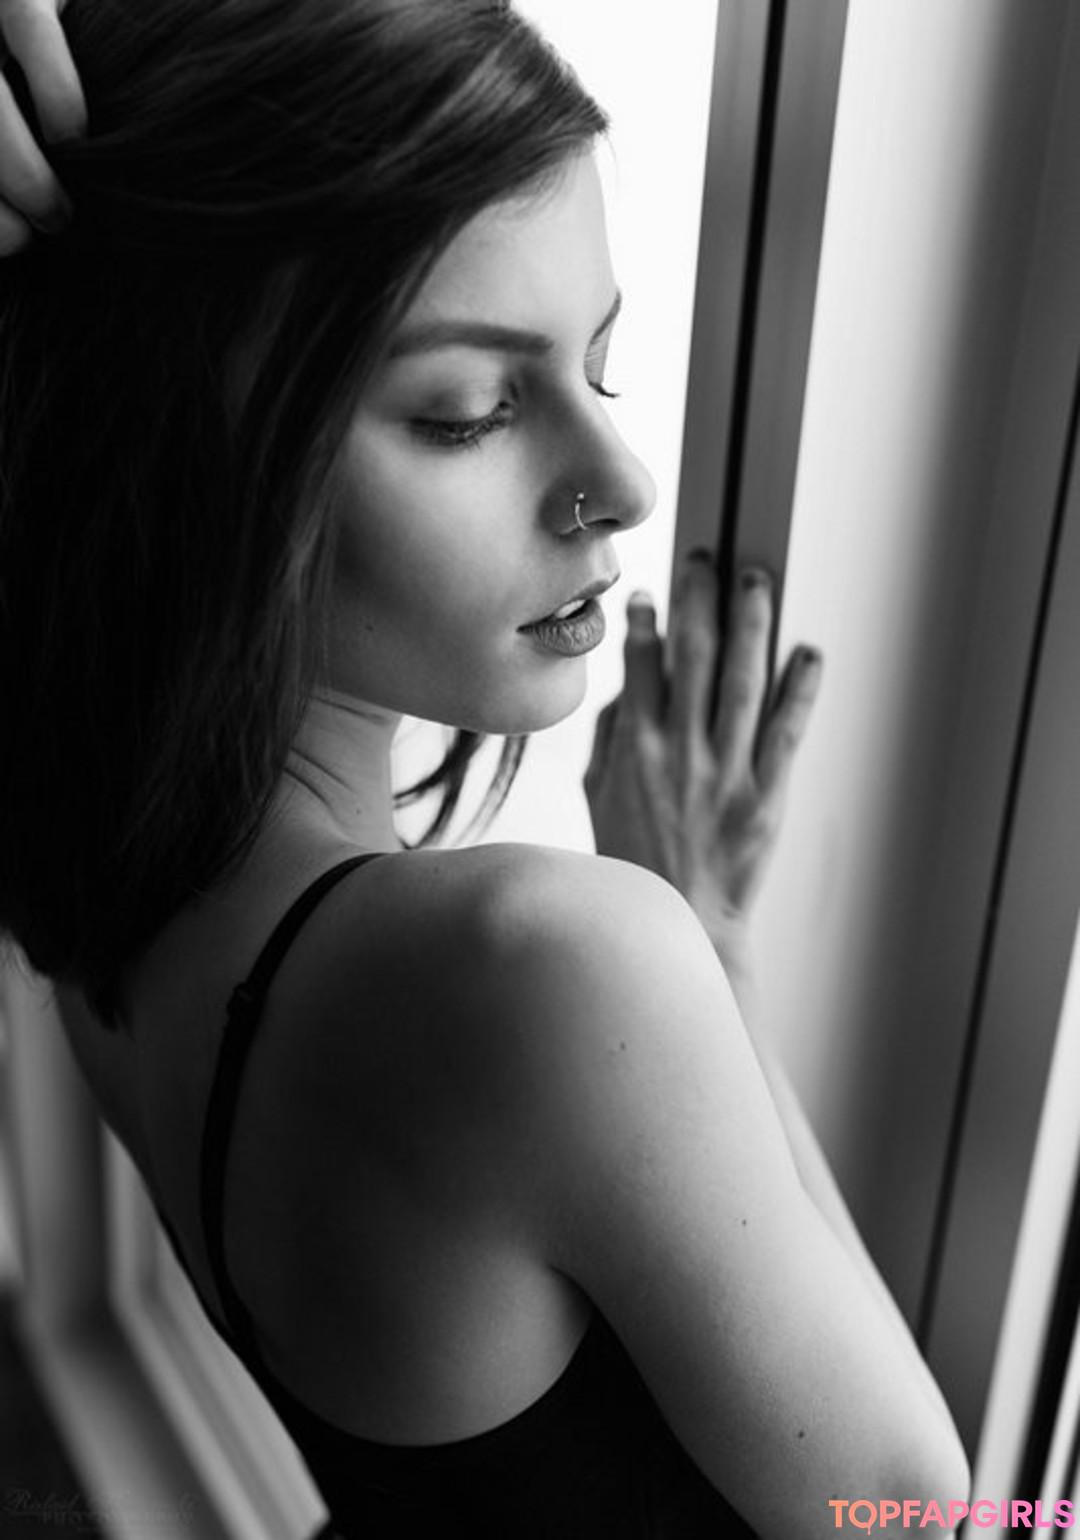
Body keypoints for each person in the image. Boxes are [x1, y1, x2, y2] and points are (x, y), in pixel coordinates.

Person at [0, 1, 970, 1535]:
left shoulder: (102, 900)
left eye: (600, 362)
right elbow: (915, 1516)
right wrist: (706, 940)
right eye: (471, 411)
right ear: (196, 465)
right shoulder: (545, 974)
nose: (621, 481)